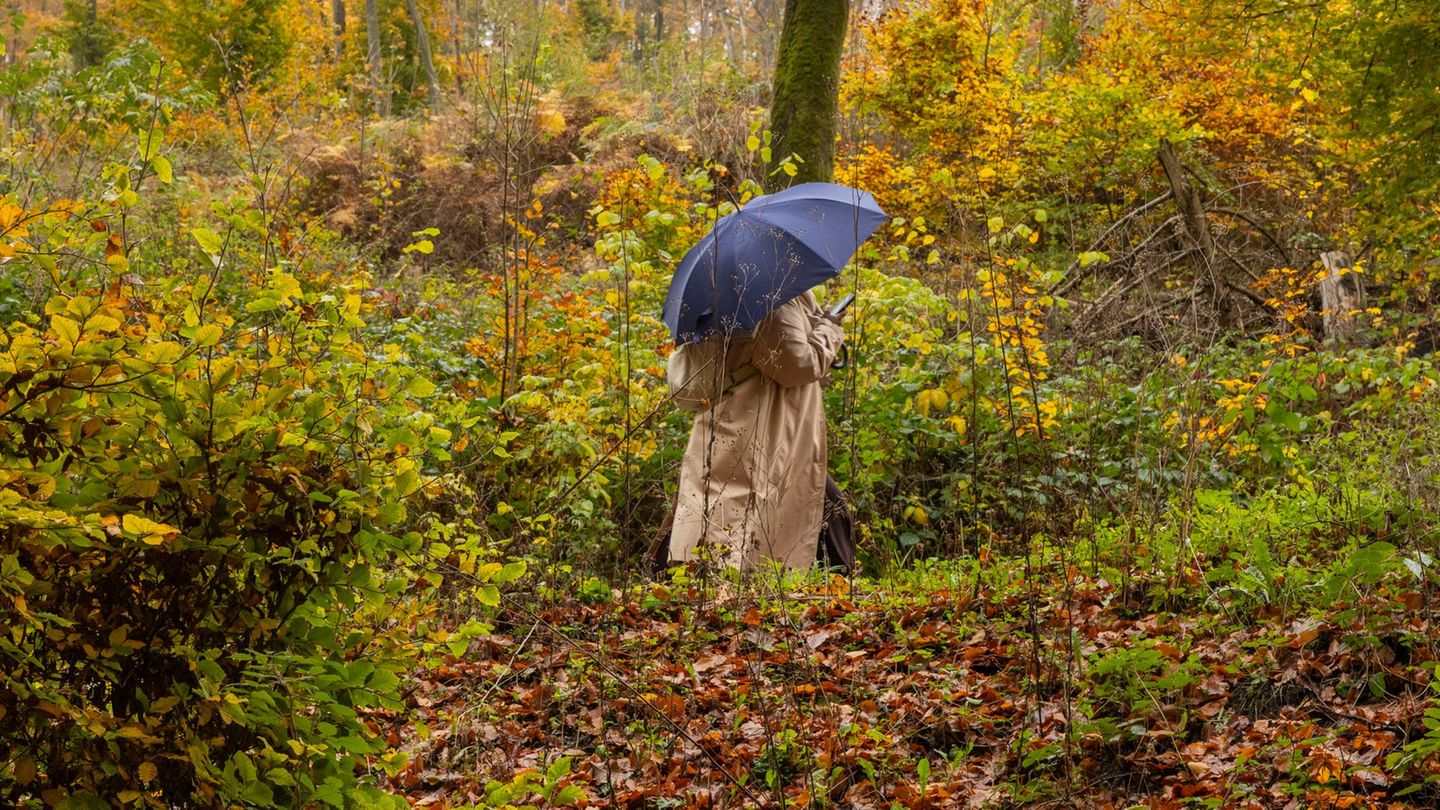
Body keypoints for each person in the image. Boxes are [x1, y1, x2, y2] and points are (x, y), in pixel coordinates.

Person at [659, 288, 855, 573]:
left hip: (732, 419)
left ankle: (675, 580)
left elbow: (775, 356)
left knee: (711, 501)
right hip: (763, 425)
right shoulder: (772, 296)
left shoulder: (725, 291)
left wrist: (816, 328)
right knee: (736, 506)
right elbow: (797, 363)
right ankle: (840, 587)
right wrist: (829, 328)